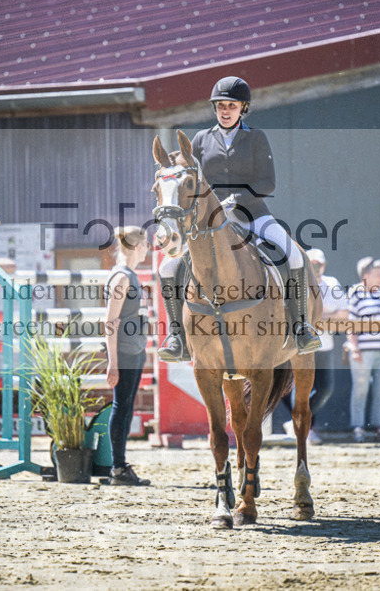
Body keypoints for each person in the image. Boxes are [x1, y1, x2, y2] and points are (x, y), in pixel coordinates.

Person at [157, 76, 321, 362]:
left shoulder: (256, 138)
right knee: (168, 267)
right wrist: (169, 165)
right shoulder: (201, 140)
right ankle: (177, 337)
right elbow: (187, 169)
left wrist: (238, 199)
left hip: (252, 214)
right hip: (209, 222)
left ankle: (301, 327)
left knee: (294, 256)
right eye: (220, 105)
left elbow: (268, 183)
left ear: (243, 108)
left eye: (231, 105)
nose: (224, 110)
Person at [279, 248, 348, 445]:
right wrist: (321, 316)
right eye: (312, 264)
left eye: (319, 264)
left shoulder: (332, 284)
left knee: (325, 389)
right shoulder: (296, 285)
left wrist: (319, 316)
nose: (316, 268)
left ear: (324, 266)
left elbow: (344, 314)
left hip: (324, 345)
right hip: (301, 345)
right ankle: (303, 428)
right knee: (299, 388)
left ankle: (298, 423)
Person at [104, 226, 152, 486]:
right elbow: (110, 321)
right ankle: (118, 467)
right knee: (121, 407)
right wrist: (113, 361)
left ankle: (119, 465)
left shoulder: (129, 275)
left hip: (135, 349)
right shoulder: (122, 277)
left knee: (125, 407)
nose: (148, 249)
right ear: (137, 246)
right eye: (146, 244)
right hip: (124, 351)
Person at [345, 257, 380, 443]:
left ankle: (379, 427)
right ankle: (358, 428)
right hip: (364, 351)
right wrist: (355, 348)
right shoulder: (356, 294)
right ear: (365, 276)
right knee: (360, 389)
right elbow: (350, 323)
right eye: (377, 274)